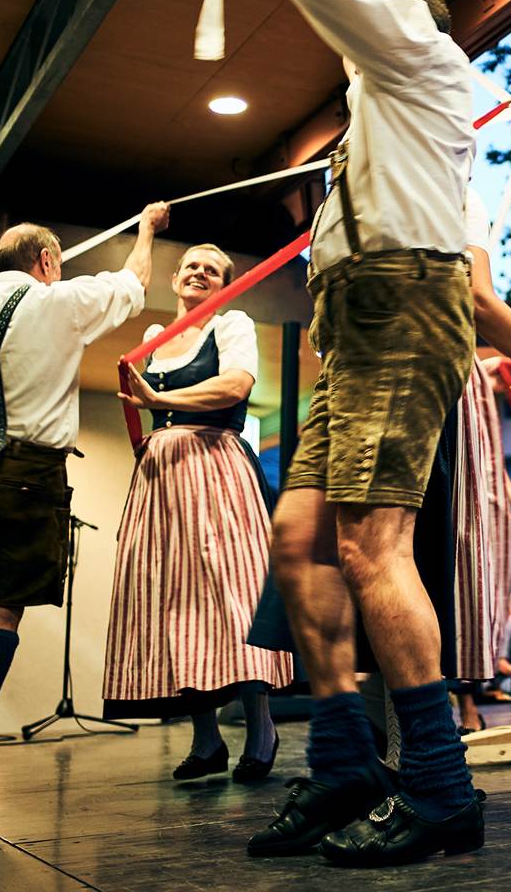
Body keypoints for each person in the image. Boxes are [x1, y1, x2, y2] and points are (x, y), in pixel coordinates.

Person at [242, 0, 484, 864]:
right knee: (301, 542)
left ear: (404, 15)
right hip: (351, 329)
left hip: (403, 308)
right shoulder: (378, 113)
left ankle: (442, 786)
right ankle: (345, 761)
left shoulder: (418, 50)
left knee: (371, 547)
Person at [0, 203, 167, 793]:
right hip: (27, 473)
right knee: (1, 611)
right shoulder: (60, 302)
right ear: (46, 260)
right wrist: (145, 229)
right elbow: (134, 284)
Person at [104, 244, 294, 781]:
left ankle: (261, 729)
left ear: (226, 285)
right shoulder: (154, 337)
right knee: (173, 599)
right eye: (191, 265)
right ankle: (206, 740)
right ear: (175, 278)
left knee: (235, 593)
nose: (200, 273)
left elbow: (235, 386)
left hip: (216, 467)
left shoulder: (232, 324)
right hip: (162, 479)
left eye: (213, 269)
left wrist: (159, 401)